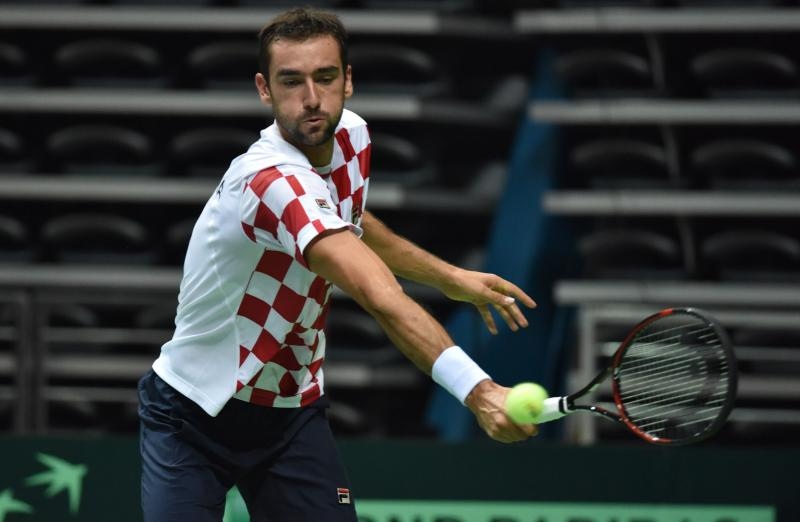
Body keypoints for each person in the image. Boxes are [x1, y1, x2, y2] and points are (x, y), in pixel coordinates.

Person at [138, 6, 538, 522]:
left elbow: (350, 221)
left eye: (325, 77)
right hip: (193, 411)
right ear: (264, 89)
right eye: (291, 81)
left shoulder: (351, 137)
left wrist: (450, 277)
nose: (311, 98)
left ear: (348, 81)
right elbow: (378, 293)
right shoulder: (273, 182)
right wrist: (478, 390)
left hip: (289, 410)